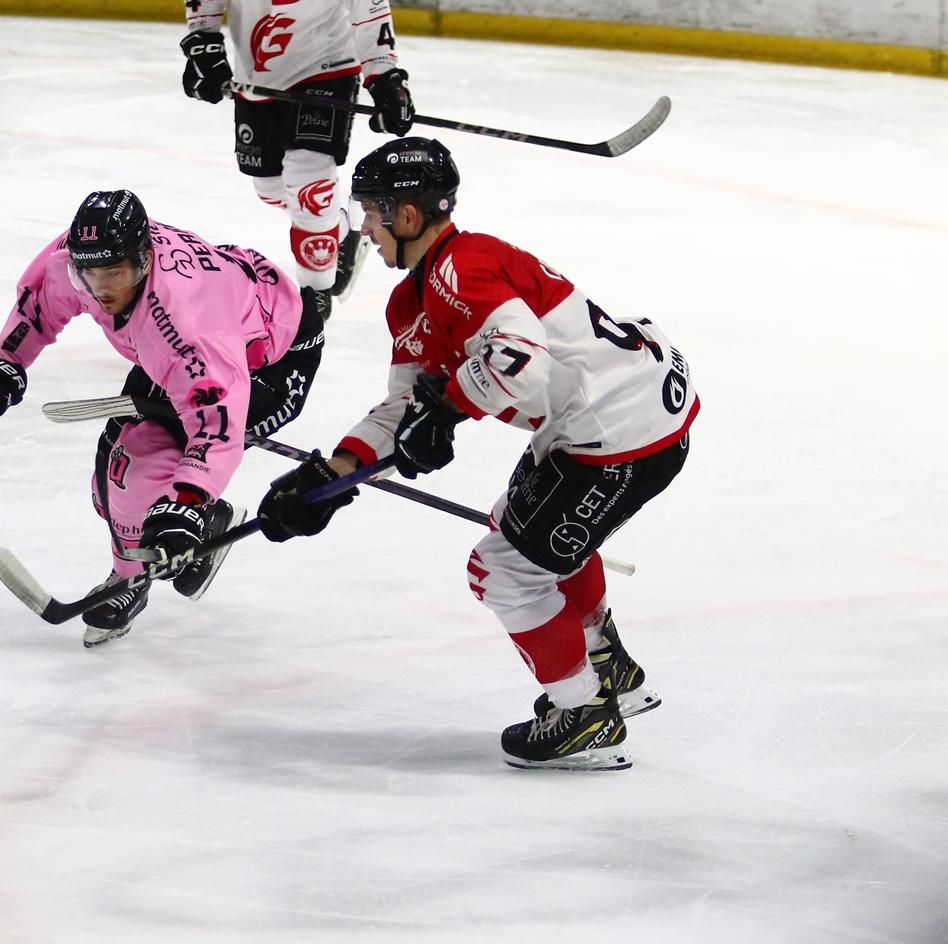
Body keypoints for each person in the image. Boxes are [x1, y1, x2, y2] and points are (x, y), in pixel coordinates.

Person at [257, 138, 699, 770]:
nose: (365, 231)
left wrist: (450, 408)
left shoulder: (460, 270)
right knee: (526, 537)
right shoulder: (414, 297)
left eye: (371, 214)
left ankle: (583, 714)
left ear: (407, 216)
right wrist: (334, 473)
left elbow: (520, 361)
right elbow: (404, 409)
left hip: (621, 429)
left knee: (503, 570)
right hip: (609, 417)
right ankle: (610, 670)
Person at [0, 189, 324, 647]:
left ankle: (140, 572)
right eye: (91, 273)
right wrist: (6, 364)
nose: (101, 288)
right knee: (111, 473)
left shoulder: (186, 326)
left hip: (269, 363)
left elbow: (216, 426)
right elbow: (40, 301)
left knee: (141, 472)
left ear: (144, 261)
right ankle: (188, 533)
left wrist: (188, 499)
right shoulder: (83, 260)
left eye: (114, 273)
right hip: (212, 328)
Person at [178, 0, 415, 320]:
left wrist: (386, 78)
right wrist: (203, 42)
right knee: (270, 187)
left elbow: (370, 13)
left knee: (309, 178)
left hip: (327, 67)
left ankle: (314, 294)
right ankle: (340, 229)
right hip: (258, 74)